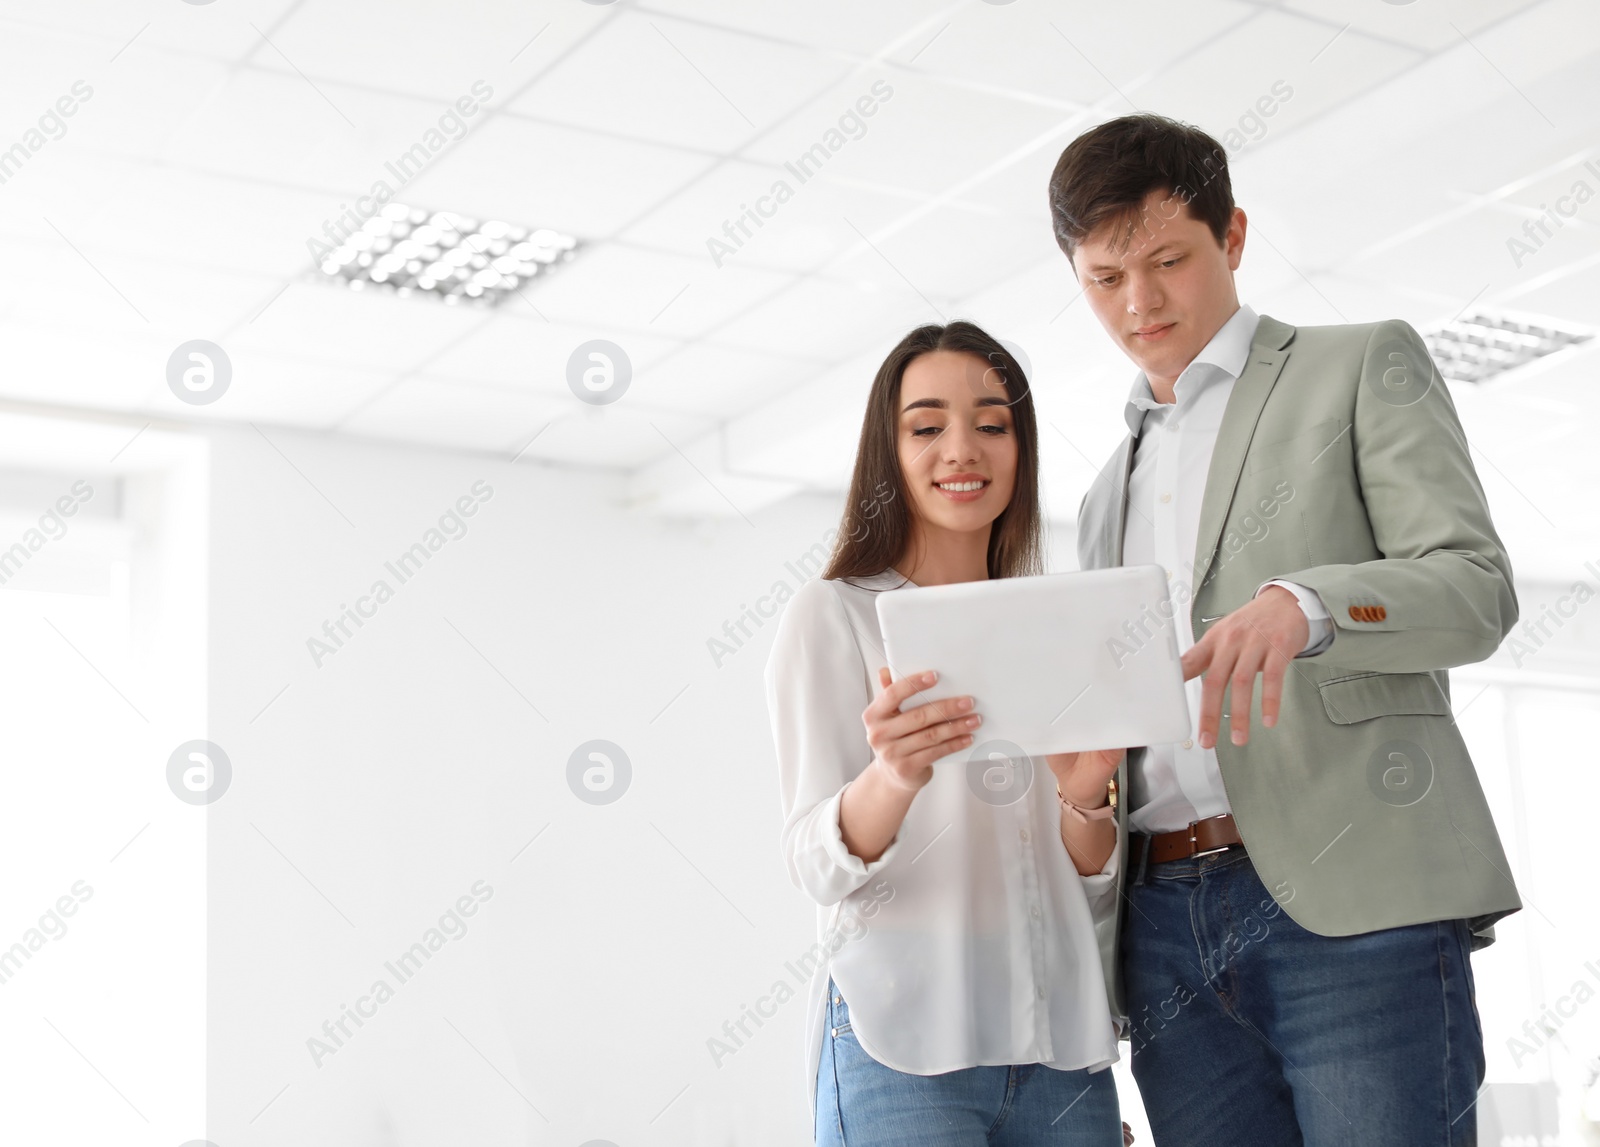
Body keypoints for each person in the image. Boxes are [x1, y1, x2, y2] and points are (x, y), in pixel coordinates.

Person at [1047, 112, 1522, 1146]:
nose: (1139, 303)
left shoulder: (1355, 368)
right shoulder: (1098, 495)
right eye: (1102, 278)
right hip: (1164, 922)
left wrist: (1304, 605)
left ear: (1234, 237)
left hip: (1351, 903)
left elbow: (1475, 587)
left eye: (1168, 260)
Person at [765, 321, 1129, 1146]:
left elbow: (1088, 884)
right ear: (887, 455)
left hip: (1060, 1048)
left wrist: (1085, 800)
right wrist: (893, 777)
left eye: (992, 424)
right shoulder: (837, 616)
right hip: (904, 1042)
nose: (961, 448)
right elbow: (814, 863)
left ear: (1021, 448)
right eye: (927, 426)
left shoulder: (1055, 623)